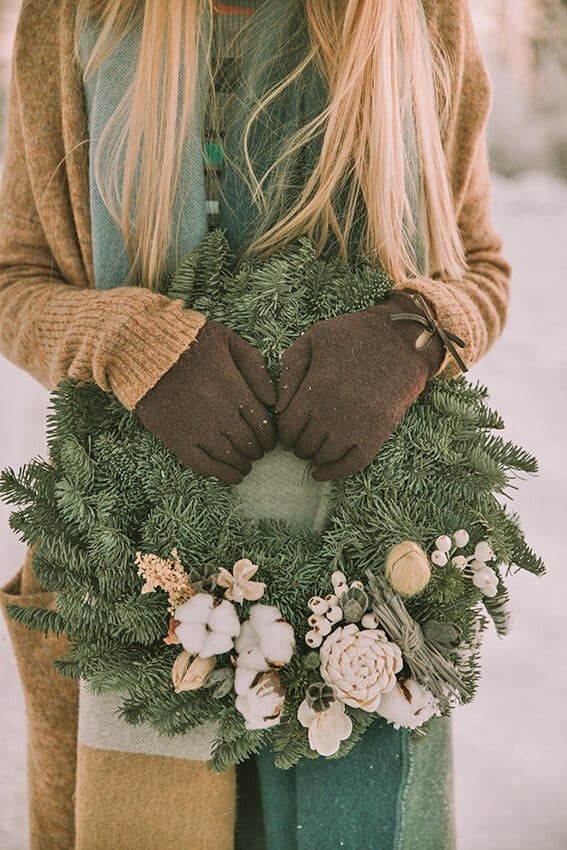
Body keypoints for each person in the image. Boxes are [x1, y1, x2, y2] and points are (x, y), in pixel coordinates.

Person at [0, 0, 510, 848]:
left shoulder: (416, 19)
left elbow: (480, 267)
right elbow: (15, 279)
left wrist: (412, 333)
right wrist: (125, 339)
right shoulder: (77, 19)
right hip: (134, 579)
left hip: (372, 599)